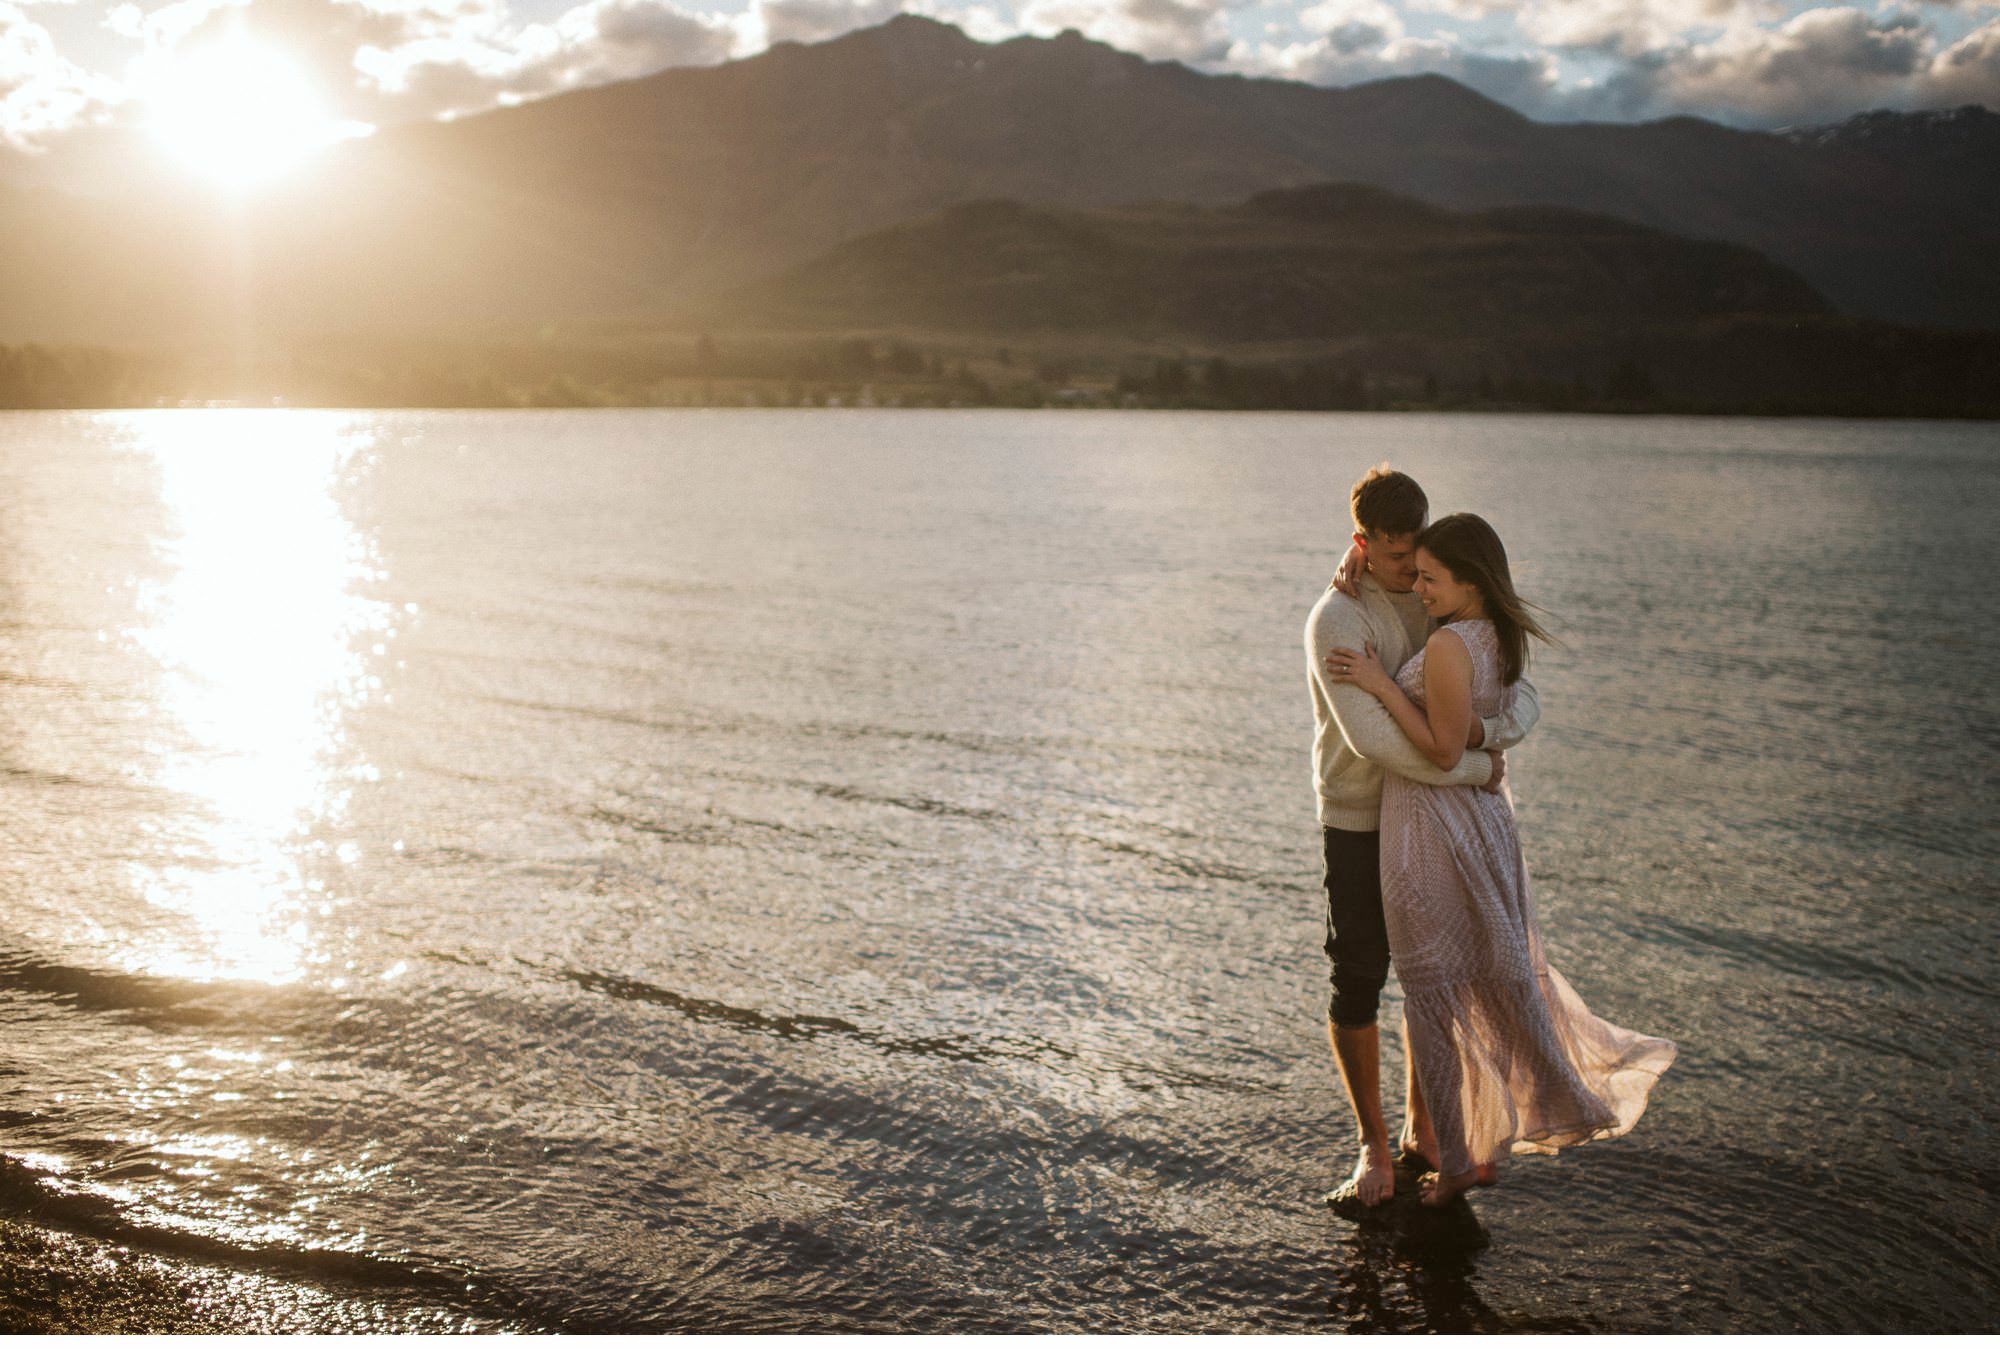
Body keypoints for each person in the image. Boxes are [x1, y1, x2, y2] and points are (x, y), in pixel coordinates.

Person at [1326, 513, 1676, 1206]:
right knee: (1472, 983)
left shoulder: (1453, 643)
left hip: (1429, 827)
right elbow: (1483, 735)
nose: (1419, 587)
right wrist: (1356, 556)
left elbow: (1440, 749)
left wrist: (1378, 681)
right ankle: (1472, 1144)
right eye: (1414, 572)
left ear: (1470, 581)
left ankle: (1454, 1159)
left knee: (1433, 994)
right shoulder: (1496, 636)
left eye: (1430, 577)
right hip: (1479, 822)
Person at [1304, 466, 1541, 1210]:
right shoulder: (1336, 621)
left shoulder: (1441, 592)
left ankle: (1423, 1130)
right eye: (1396, 557)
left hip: (1430, 816)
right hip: (1359, 815)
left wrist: (1484, 732)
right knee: (1360, 974)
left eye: (1418, 557)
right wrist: (1474, 765)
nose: (1411, 573)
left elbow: (1515, 691)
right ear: (1362, 544)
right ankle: (1373, 1147)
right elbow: (1377, 741)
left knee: (1428, 970)